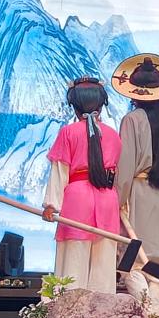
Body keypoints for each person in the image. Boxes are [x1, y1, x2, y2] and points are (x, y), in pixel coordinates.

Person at [111, 54, 159, 315]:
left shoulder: (131, 120)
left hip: (139, 195)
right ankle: (154, 317)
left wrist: (118, 201)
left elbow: (125, 167)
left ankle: (148, 317)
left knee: (132, 263)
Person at [42, 77, 122, 293]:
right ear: (101, 106)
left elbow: (60, 170)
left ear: (74, 106)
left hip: (77, 200)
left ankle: (69, 309)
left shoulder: (68, 132)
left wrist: (51, 205)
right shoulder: (113, 135)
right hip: (107, 199)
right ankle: (102, 311)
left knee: (73, 263)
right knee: (103, 265)